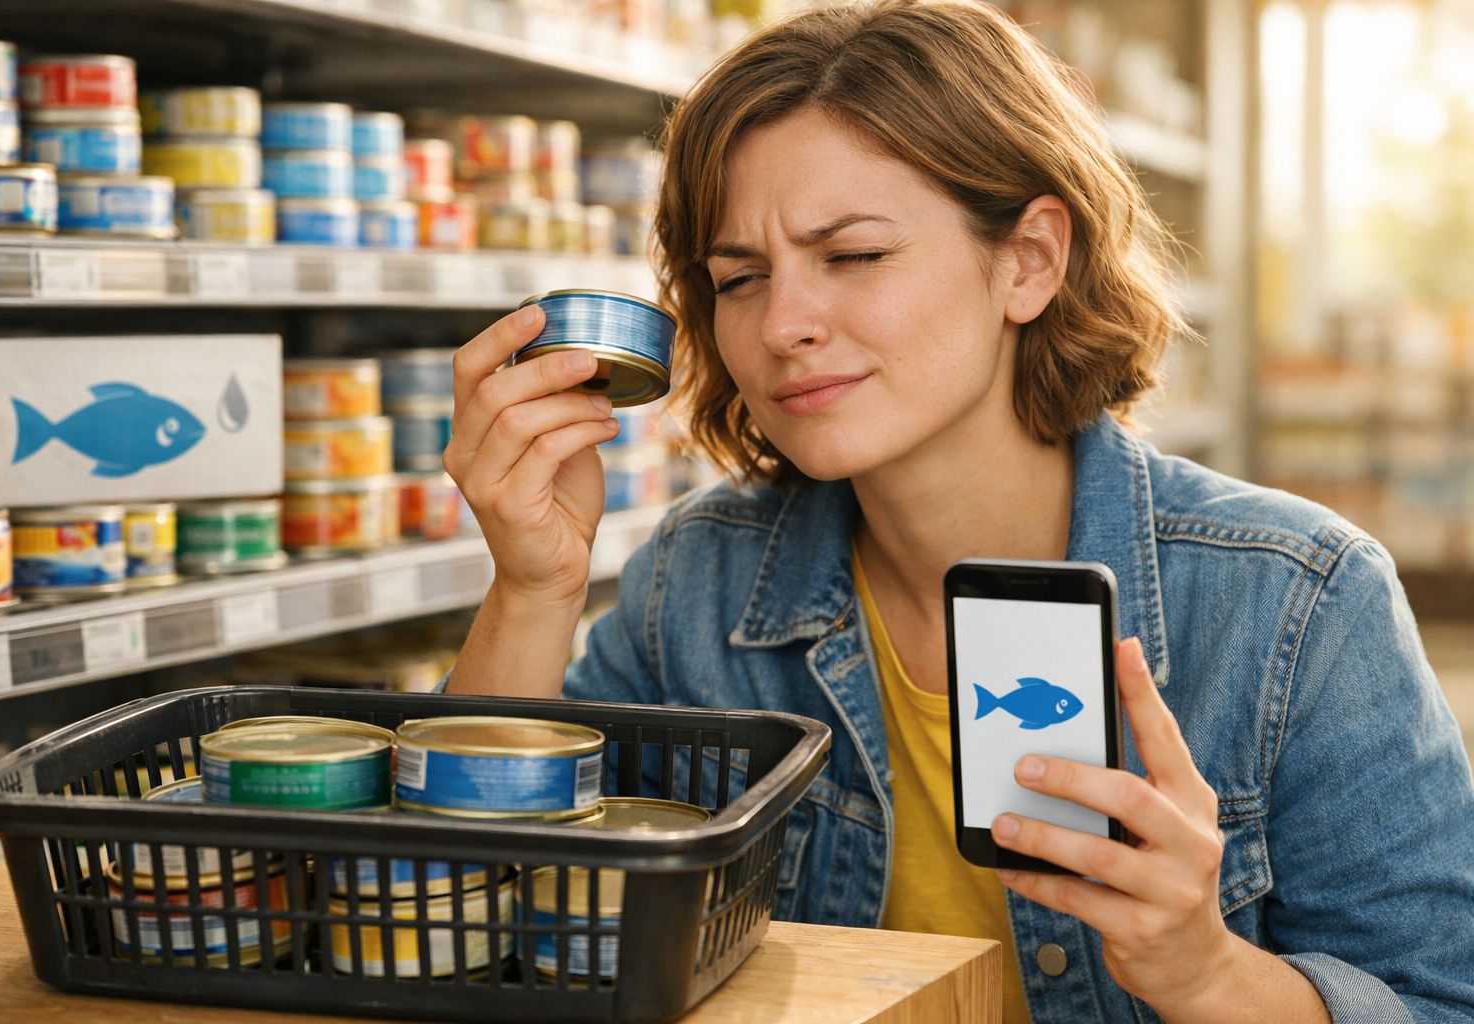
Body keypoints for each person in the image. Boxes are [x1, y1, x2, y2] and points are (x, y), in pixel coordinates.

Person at [440, 1, 1474, 1021]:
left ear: (1028, 260)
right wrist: (535, 585)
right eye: (739, 277)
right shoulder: (697, 585)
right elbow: (470, 929)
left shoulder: (1296, 604)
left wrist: (1209, 975)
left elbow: (1436, 1003)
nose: (784, 324)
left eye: (853, 256)